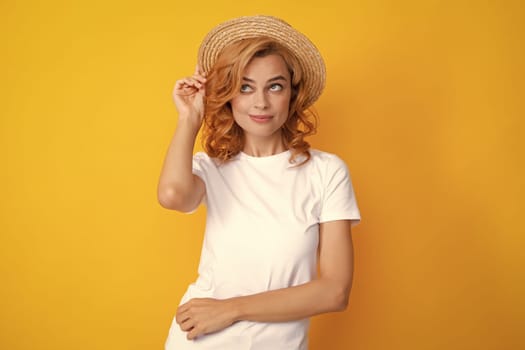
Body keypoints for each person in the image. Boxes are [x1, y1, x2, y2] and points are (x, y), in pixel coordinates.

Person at [158, 15, 361, 350]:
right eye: (245, 87)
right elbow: (171, 195)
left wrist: (231, 310)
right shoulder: (212, 169)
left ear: (292, 94)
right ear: (229, 97)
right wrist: (190, 117)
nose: (261, 102)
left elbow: (335, 291)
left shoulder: (326, 172)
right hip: (199, 341)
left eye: (275, 86)